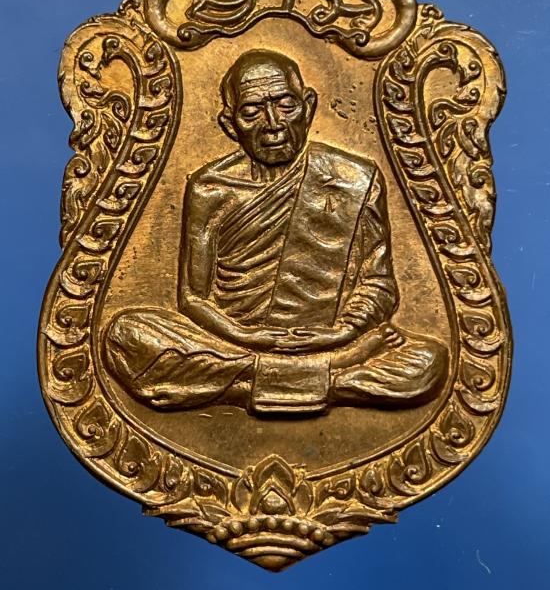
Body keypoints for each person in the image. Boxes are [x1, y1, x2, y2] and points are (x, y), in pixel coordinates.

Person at [105, 49, 447, 414]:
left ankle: (245, 385)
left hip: (328, 341)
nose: (273, 124)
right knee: (126, 334)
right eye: (252, 112)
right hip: (232, 342)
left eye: (286, 105)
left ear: (308, 106)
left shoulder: (355, 178)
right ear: (230, 124)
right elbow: (193, 298)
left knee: (430, 360)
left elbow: (378, 283)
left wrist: (343, 332)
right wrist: (246, 335)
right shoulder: (210, 188)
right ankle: (330, 380)